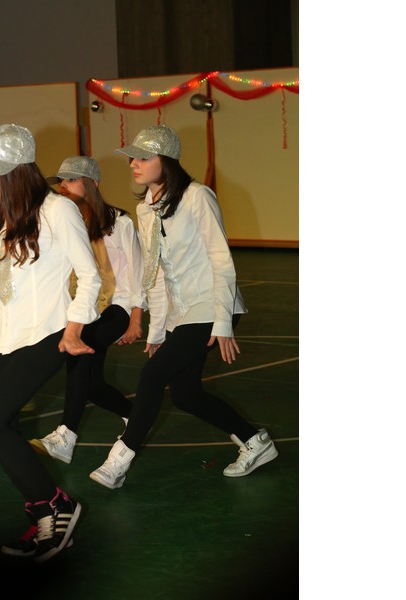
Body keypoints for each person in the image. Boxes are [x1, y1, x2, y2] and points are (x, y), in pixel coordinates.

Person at [89, 125, 278, 489]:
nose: (133, 164)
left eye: (143, 157)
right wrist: (159, 330)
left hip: (212, 304)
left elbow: (221, 260)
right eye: (132, 158)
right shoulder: (145, 209)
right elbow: (157, 274)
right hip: (183, 312)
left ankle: (118, 461)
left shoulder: (197, 197)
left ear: (167, 160)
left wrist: (222, 323)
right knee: (186, 394)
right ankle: (256, 442)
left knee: (152, 377)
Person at [0, 124, 100, 562]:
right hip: (1, 339)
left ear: (20, 169)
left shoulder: (58, 210)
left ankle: (58, 505)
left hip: (46, 334)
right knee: (3, 429)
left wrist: (75, 327)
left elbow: (89, 275)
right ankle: (42, 514)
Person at [31, 156, 143, 464]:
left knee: (80, 350)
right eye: (61, 181)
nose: (63, 187)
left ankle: (66, 435)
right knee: (91, 385)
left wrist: (136, 317)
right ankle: (137, 417)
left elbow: (138, 271)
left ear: (93, 183)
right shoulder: (65, 221)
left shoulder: (120, 223)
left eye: (71, 180)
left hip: (117, 304)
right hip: (83, 305)